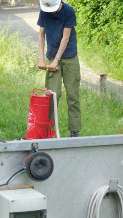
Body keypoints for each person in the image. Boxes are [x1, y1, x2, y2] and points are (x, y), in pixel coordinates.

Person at [37, 0, 81, 137]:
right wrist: (41, 58)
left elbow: (65, 38)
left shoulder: (68, 11)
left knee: (72, 95)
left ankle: (74, 131)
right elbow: (41, 35)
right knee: (52, 94)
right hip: (51, 57)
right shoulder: (44, 10)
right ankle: (48, 131)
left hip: (69, 58)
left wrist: (57, 60)